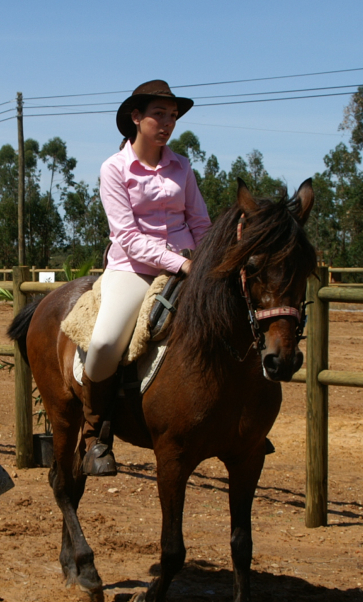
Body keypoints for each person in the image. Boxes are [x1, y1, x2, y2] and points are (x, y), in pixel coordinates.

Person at [82, 80, 211, 476]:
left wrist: (207, 261)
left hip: (191, 262)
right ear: (136, 117)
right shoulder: (114, 169)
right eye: (159, 114)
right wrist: (180, 264)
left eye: (172, 115)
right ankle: (94, 433)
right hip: (133, 267)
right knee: (104, 341)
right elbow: (127, 236)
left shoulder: (182, 166)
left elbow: (200, 222)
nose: (168, 122)